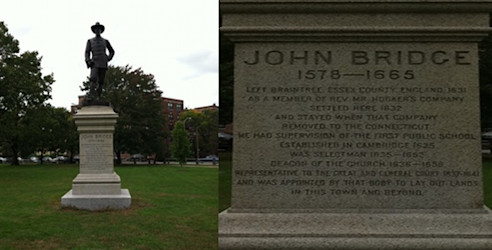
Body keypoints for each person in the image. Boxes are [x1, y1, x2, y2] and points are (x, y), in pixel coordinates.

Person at [85, 22, 114, 103]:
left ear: (101, 30)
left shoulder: (105, 41)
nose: (97, 30)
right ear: (94, 31)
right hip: (94, 62)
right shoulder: (90, 41)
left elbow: (112, 51)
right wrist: (88, 60)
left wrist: (108, 58)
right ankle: (90, 95)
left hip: (103, 63)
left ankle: (99, 97)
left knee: (101, 81)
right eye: (96, 29)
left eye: (99, 29)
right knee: (93, 78)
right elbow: (87, 52)